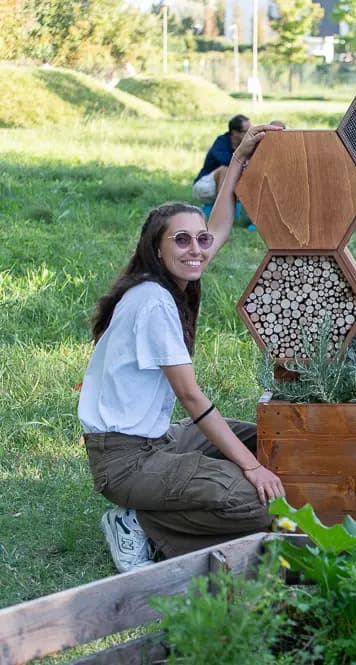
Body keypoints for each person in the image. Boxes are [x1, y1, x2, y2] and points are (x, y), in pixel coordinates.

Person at [80, 123, 286, 573]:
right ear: (157, 247)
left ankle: (158, 506)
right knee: (255, 503)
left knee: (267, 436)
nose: (197, 249)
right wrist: (251, 468)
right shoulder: (153, 301)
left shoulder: (170, 279)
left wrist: (238, 160)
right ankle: (140, 523)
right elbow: (192, 398)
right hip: (125, 459)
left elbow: (220, 225)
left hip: (157, 439)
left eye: (199, 240)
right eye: (181, 240)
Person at [192, 114, 251, 206]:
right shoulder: (221, 143)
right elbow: (228, 162)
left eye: (251, 130)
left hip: (227, 184)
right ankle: (223, 208)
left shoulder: (246, 145)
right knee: (225, 170)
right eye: (246, 131)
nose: (250, 134)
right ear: (235, 132)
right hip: (204, 186)